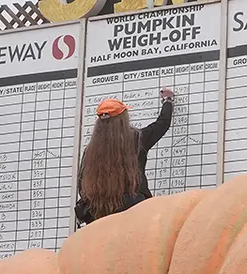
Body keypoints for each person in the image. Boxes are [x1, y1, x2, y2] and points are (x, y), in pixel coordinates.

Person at [75, 88, 175, 226]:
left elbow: (82, 186)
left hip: (99, 216)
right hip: (134, 213)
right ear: (123, 119)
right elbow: (162, 124)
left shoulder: (90, 151)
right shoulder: (137, 139)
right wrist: (167, 101)